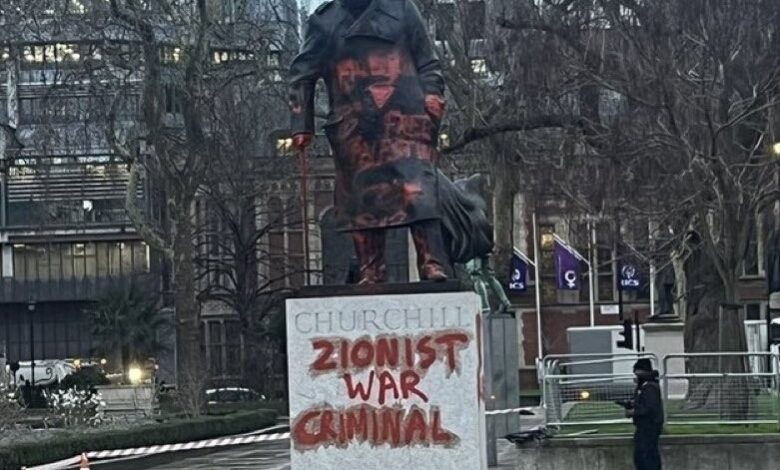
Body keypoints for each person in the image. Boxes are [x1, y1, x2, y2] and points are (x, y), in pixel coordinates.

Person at [288, 0, 453, 284]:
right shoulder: (324, 21)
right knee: (363, 197)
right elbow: (302, 73)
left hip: (406, 119)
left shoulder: (401, 8)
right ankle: (371, 269)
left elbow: (427, 60)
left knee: (418, 189)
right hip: (355, 124)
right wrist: (301, 124)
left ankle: (431, 262)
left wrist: (432, 96)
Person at [620, 358, 664, 470]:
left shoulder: (650, 387)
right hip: (644, 427)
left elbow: (649, 408)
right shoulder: (644, 386)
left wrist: (634, 412)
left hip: (649, 426)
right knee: (642, 456)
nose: (636, 376)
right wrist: (631, 404)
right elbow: (642, 402)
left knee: (646, 456)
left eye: (637, 373)